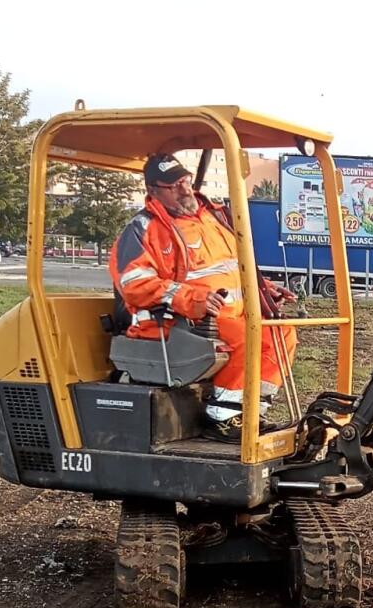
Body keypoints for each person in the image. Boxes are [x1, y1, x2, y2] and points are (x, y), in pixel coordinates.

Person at [109, 154, 297, 438]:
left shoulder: (215, 217)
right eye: (173, 186)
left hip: (227, 317)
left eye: (184, 180)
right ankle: (223, 417)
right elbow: (134, 283)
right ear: (153, 191)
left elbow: (234, 267)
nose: (185, 189)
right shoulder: (143, 229)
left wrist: (264, 289)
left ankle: (248, 413)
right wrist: (190, 298)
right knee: (248, 336)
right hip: (174, 323)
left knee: (283, 335)